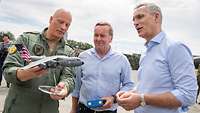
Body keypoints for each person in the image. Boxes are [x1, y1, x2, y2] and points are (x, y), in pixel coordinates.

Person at [116, 3, 198, 113]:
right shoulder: (145, 52)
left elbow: (188, 95)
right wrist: (132, 93)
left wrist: (142, 99)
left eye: (140, 17)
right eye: (133, 20)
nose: (135, 23)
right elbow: (148, 88)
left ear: (156, 17)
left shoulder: (175, 47)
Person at [2, 9, 75, 113]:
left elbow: (69, 77)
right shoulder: (25, 40)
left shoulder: (68, 52)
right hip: (18, 108)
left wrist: (64, 88)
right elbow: (8, 69)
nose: (63, 27)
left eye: (67, 25)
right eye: (60, 22)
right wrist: (25, 73)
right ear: (51, 19)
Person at [69, 22, 134, 113]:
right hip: (83, 109)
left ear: (110, 38)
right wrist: (73, 109)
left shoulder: (122, 60)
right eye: (96, 35)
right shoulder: (83, 57)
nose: (98, 39)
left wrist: (114, 98)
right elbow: (77, 86)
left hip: (108, 111)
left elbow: (129, 85)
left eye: (102, 36)